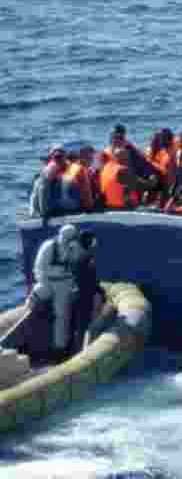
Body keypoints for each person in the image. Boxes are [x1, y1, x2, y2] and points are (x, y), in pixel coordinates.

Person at [30, 224, 84, 359]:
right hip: (48, 282)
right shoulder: (49, 246)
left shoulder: (73, 248)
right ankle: (36, 341)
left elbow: (75, 266)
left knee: (62, 316)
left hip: (64, 285)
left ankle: (60, 348)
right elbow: (39, 267)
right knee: (37, 296)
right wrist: (44, 282)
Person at [30, 144, 69, 218]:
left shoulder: (64, 166)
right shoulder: (50, 169)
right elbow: (42, 189)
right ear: (52, 157)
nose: (59, 159)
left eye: (61, 156)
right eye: (57, 157)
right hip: (47, 209)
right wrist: (45, 212)